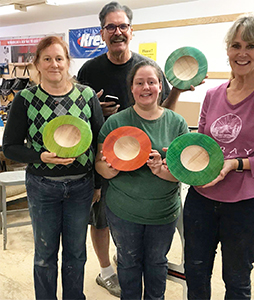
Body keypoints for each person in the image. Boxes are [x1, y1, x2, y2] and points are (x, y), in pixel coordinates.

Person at [77, 2, 192, 296]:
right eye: (111, 27)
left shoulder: (146, 68)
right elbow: (79, 116)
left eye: (123, 26)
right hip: (107, 159)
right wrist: (95, 111)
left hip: (156, 196)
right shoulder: (89, 69)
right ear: (102, 32)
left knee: (152, 261)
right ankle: (106, 271)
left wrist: (176, 90)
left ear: (131, 30)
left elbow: (164, 112)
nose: (118, 32)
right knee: (103, 224)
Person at [183, 12, 254, 300]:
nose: (242, 53)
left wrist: (236, 164)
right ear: (227, 50)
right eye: (236, 46)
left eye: (250, 45)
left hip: (249, 205)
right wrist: (181, 155)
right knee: (195, 273)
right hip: (203, 199)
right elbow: (205, 145)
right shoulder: (212, 94)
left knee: (235, 279)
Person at [3, 36, 104, 300]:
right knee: (45, 256)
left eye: (59, 58)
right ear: (36, 63)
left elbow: (100, 141)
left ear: (68, 62)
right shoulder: (25, 99)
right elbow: (10, 147)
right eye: (46, 59)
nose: (54, 64)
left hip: (81, 186)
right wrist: (40, 157)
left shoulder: (86, 95)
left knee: (76, 253)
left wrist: (97, 184)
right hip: (42, 187)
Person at [95, 59, 189, 299]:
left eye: (151, 82)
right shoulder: (115, 123)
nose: (145, 87)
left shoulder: (176, 123)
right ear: (132, 88)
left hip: (163, 211)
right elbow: (99, 164)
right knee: (127, 262)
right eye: (139, 83)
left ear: (160, 86)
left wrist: (161, 170)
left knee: (157, 263)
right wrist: (111, 169)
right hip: (124, 210)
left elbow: (183, 171)